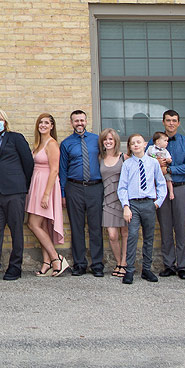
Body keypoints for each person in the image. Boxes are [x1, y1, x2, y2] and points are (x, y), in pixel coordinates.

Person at [0, 109, 34, 282]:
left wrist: (22, 186)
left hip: (14, 191)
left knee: (16, 229)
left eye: (0, 119)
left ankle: (15, 266)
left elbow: (28, 163)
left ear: (5, 121)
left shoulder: (16, 138)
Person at [118, 133, 168, 284]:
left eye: (138, 142)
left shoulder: (153, 163)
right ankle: (129, 270)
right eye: (132, 143)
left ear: (145, 144)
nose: (136, 145)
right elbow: (122, 187)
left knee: (149, 237)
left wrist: (158, 202)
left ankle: (147, 269)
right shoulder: (127, 164)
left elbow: (161, 183)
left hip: (148, 204)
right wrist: (126, 206)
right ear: (130, 147)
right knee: (132, 235)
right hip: (133, 204)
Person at [59, 109, 104, 277]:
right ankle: (79, 263)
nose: (79, 123)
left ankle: (97, 264)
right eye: (76, 121)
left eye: (82, 120)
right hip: (74, 187)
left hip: (95, 187)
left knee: (95, 227)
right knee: (76, 227)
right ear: (72, 123)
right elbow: (62, 170)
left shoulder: (97, 140)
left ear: (86, 121)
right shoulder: (66, 143)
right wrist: (63, 193)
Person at [27, 113, 68, 276]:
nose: (43, 125)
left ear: (52, 126)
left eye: (46, 123)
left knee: (33, 224)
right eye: (40, 122)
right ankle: (46, 262)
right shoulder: (38, 144)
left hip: (46, 186)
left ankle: (56, 258)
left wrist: (46, 195)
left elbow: (55, 170)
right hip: (36, 184)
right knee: (42, 226)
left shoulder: (52, 144)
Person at [157, 109, 185, 279]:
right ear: (163, 122)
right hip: (161, 189)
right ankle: (168, 264)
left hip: (180, 188)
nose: (171, 123)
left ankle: (182, 265)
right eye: (168, 120)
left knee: (181, 227)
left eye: (174, 120)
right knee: (165, 227)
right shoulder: (156, 142)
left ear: (178, 123)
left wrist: (170, 169)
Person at [98, 128, 128, 280]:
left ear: (115, 141)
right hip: (108, 200)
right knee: (112, 235)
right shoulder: (100, 158)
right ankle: (118, 261)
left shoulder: (124, 157)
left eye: (111, 139)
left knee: (125, 233)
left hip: (123, 200)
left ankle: (123, 264)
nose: (108, 142)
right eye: (105, 139)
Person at [147, 132, 176, 201]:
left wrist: (168, 160)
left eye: (167, 141)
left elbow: (169, 159)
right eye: (165, 141)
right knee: (153, 181)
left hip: (164, 169)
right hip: (153, 170)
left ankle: (171, 192)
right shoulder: (150, 149)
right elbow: (146, 158)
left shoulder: (165, 151)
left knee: (168, 179)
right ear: (158, 141)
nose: (167, 143)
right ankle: (155, 195)